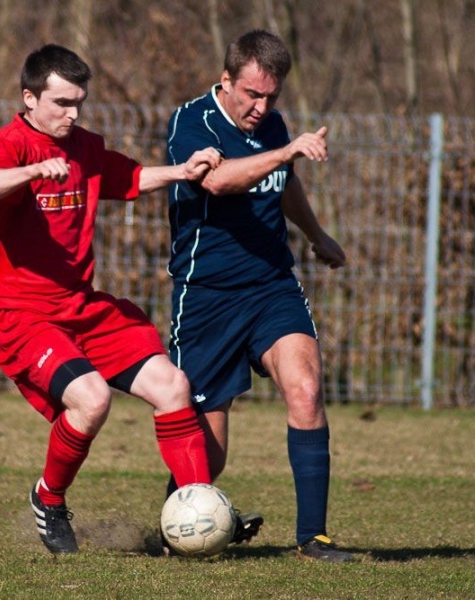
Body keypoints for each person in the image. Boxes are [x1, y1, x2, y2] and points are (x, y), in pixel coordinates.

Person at [0, 43, 222, 555]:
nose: (72, 113)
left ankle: (198, 510)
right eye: (61, 102)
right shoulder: (11, 144)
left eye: (78, 102)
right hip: (22, 315)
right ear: (30, 97)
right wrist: (33, 172)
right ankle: (49, 498)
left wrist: (182, 170)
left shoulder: (83, 146)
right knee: (93, 398)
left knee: (173, 385)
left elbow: (128, 177)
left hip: (80, 307)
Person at [163, 29, 350, 562]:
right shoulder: (191, 122)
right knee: (209, 451)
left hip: (271, 285)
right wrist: (286, 149)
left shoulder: (273, 128)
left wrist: (317, 236)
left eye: (272, 97)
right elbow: (219, 181)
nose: (261, 107)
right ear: (227, 81)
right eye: (252, 95)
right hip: (207, 296)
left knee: (307, 389)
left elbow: (284, 182)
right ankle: (180, 527)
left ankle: (313, 536)